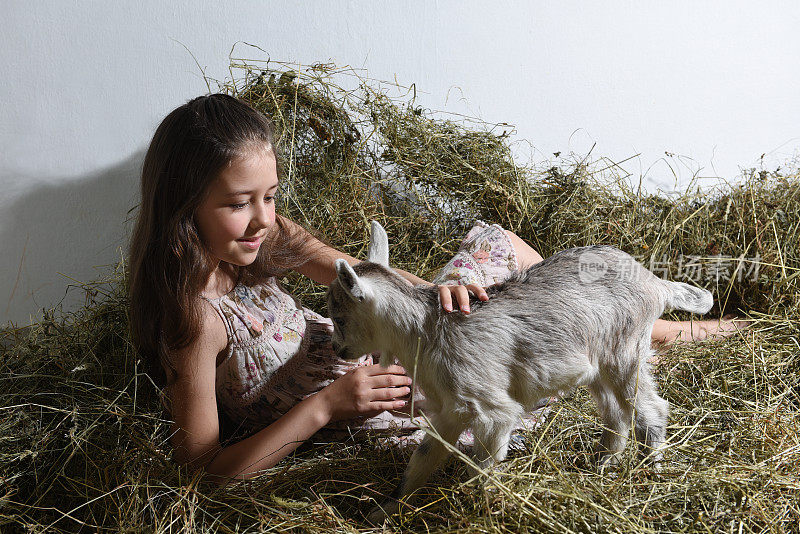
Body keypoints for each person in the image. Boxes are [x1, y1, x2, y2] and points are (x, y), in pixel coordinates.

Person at [127, 93, 744, 484]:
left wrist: (451, 291)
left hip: (394, 340)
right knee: (499, 390)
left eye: (271, 197)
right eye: (240, 203)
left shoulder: (270, 238)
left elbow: (385, 286)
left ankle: (662, 326)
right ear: (184, 207)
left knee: (498, 249)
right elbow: (203, 470)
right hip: (383, 403)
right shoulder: (196, 321)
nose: (264, 218)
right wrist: (326, 408)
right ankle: (648, 337)